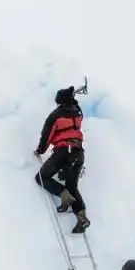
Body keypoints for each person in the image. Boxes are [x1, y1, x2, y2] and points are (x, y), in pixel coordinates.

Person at [33, 86, 90, 234]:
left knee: (41, 177)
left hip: (64, 151)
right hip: (79, 153)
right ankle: (82, 218)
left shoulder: (56, 115)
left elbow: (46, 136)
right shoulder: (78, 113)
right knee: (73, 187)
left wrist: (40, 151)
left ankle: (65, 197)